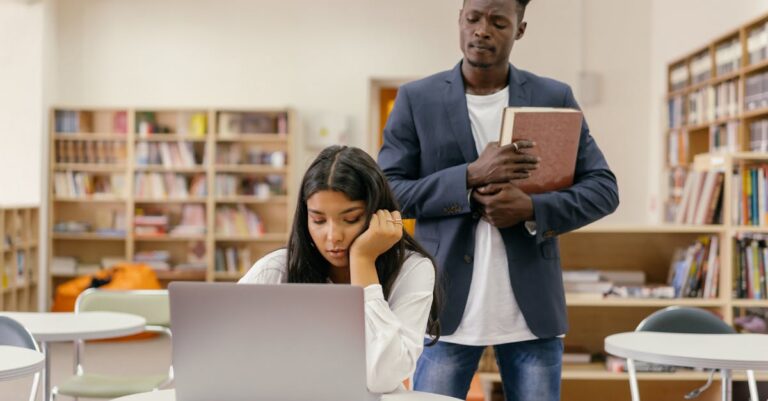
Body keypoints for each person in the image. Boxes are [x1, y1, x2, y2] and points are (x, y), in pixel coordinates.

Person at [377, 0, 619, 400]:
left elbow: (604, 189)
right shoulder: (416, 99)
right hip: (446, 310)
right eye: (472, 18)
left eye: (498, 22)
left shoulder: (553, 96)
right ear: (460, 20)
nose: (482, 30)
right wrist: (470, 177)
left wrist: (532, 210)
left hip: (532, 315)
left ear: (519, 30)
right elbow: (389, 192)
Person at [238, 145, 440, 393]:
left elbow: (382, 377)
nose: (333, 236)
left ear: (379, 214)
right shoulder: (276, 269)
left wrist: (362, 261)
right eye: (319, 220)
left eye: (351, 218)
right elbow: (222, 353)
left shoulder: (413, 270)